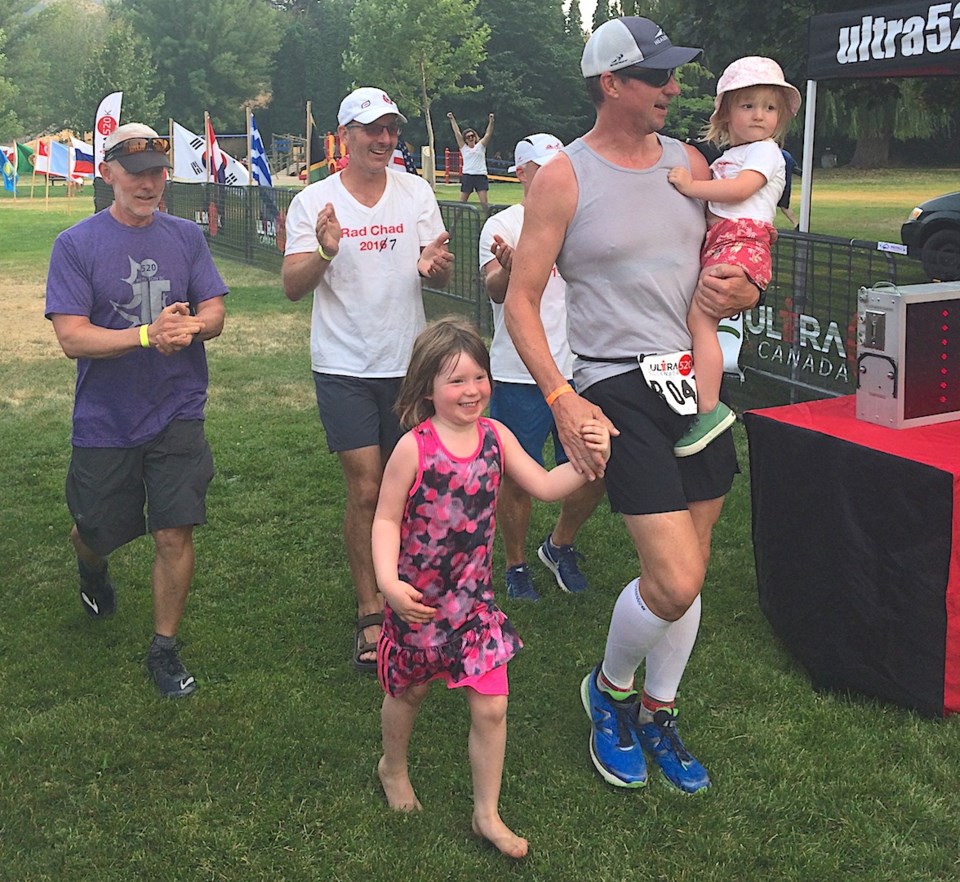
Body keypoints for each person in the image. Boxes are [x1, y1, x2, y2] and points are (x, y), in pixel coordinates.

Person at [504, 16, 762, 794]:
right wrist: (560, 396)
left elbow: (734, 261)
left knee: (694, 569)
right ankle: (609, 694)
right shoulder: (564, 176)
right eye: (657, 78)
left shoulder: (690, 162)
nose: (674, 90)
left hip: (696, 379)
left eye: (674, 76)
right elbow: (522, 300)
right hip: (617, 383)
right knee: (674, 578)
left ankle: (657, 709)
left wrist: (747, 288)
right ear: (611, 83)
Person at [371, 317, 609, 858]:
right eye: (456, 381)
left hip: (474, 606)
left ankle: (487, 814)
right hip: (419, 606)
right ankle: (393, 766)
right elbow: (385, 520)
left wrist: (592, 457)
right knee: (409, 693)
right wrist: (388, 583)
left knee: (492, 708)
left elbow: (547, 486)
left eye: (479, 377)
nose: (472, 390)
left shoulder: (496, 438)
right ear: (427, 386)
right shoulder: (414, 447)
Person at [45, 122, 227, 699]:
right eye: (136, 172)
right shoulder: (75, 244)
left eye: (157, 172)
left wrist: (193, 326)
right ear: (109, 175)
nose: (149, 183)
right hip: (107, 417)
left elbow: (215, 311)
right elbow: (73, 337)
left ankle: (164, 649)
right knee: (96, 530)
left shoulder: (186, 238)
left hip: (178, 408)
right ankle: (91, 568)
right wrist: (148, 335)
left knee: (174, 530)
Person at [282, 87, 453, 673]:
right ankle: (370, 609)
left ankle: (414, 587)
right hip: (344, 365)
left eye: (391, 130)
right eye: (371, 130)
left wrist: (432, 268)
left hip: (410, 365)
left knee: (412, 488)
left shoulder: (417, 192)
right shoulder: (314, 202)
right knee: (365, 487)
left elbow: (432, 264)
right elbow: (291, 285)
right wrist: (327, 251)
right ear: (345, 137)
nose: (383, 140)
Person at [479, 133, 604, 601]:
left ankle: (560, 544)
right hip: (518, 372)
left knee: (595, 465)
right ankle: (515, 564)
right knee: (518, 476)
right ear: (521, 173)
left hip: (581, 368)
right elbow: (493, 288)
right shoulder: (505, 224)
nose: (551, 172)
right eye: (540, 166)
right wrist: (511, 268)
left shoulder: (579, 218)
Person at [668, 56, 800, 456]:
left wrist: (691, 186)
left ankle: (707, 407)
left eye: (770, 107)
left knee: (699, 319)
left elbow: (740, 191)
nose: (760, 115)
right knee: (699, 319)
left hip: (740, 241)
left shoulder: (764, 153)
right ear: (726, 113)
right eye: (748, 106)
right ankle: (703, 399)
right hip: (727, 239)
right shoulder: (733, 155)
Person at [447, 111, 495, 210]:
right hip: (468, 176)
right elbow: (457, 133)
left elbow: (488, 134)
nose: (471, 138)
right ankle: (454, 224)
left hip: (480, 176)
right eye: (468, 137)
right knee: (461, 203)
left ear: (475, 137)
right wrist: (452, 119)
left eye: (472, 136)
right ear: (465, 139)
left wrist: (491, 121)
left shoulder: (480, 146)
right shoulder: (464, 148)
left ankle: (488, 221)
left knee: (484, 203)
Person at [778, 148, 799, 228]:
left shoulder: (775, 154)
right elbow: (795, 169)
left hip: (777, 185)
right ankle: (796, 224)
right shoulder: (787, 154)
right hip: (786, 186)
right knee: (784, 206)